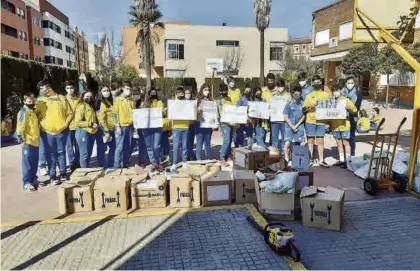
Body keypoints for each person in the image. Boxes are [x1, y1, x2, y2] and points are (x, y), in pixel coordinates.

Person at [36, 79, 72, 185]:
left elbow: (70, 112)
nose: (42, 90)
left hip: (61, 131)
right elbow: (35, 116)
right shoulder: (39, 101)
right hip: (47, 132)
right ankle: (52, 175)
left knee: (61, 152)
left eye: (43, 88)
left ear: (49, 87)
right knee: (50, 154)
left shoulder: (61, 98)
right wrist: (40, 126)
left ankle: (63, 172)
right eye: (40, 88)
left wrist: (65, 124)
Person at [302, 75, 330, 167]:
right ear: (312, 84)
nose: (317, 84)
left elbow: (330, 109)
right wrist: (310, 106)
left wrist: (328, 122)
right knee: (310, 140)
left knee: (320, 140)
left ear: (321, 83)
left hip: (321, 121)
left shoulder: (326, 95)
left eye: (318, 82)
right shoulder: (308, 96)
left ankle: (321, 160)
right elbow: (303, 109)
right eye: (315, 83)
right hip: (310, 121)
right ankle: (310, 160)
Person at [329, 85, 357, 168]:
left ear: (340, 90)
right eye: (333, 91)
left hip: (345, 125)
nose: (335, 92)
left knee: (345, 142)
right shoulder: (330, 101)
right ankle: (341, 160)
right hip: (335, 125)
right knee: (338, 143)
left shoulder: (345, 100)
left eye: (337, 90)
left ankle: (348, 161)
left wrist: (348, 108)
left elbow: (354, 110)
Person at [16, 93, 40, 191]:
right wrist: (21, 140)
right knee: (27, 163)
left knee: (34, 162)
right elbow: (20, 126)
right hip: (27, 141)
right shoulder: (23, 111)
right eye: (29, 101)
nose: (31, 103)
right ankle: (26, 182)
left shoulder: (33, 111)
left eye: (32, 101)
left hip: (35, 141)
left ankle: (33, 179)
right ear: (25, 101)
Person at [113, 81, 136, 168]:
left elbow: (133, 113)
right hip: (121, 126)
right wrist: (117, 126)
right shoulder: (118, 99)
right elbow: (115, 114)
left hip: (130, 126)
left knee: (128, 147)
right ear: (123, 88)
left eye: (130, 89)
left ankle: (125, 164)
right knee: (119, 148)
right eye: (127, 89)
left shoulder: (131, 100)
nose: (128, 91)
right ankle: (117, 166)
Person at [142, 87, 164, 172]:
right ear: (148, 94)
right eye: (151, 93)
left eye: (154, 92)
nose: (153, 94)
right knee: (149, 147)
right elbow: (141, 115)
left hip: (157, 127)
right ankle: (153, 163)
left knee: (156, 146)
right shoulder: (144, 104)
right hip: (147, 128)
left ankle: (159, 162)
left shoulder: (159, 102)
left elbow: (161, 112)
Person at [74, 90, 98, 168]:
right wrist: (90, 124)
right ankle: (83, 171)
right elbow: (77, 122)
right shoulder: (81, 107)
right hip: (83, 132)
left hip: (91, 132)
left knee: (89, 153)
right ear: (83, 97)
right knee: (84, 154)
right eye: (87, 96)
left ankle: (86, 168)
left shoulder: (91, 106)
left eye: (91, 97)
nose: (89, 98)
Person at [283, 86, 306, 166]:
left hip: (299, 126)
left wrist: (296, 126)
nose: (296, 95)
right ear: (292, 94)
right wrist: (292, 126)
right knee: (287, 144)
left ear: (300, 94)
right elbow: (285, 116)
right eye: (295, 94)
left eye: (298, 94)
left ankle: (296, 161)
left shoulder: (303, 104)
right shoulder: (288, 104)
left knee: (298, 144)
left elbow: (303, 116)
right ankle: (286, 159)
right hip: (289, 127)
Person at [268, 78, 291, 155]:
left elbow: (290, 107)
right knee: (274, 139)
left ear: (284, 86)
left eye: (281, 86)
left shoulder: (288, 95)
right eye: (278, 86)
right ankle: (275, 154)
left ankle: (284, 155)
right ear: (276, 87)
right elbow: (270, 106)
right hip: (275, 121)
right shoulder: (273, 95)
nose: (280, 88)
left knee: (285, 139)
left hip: (284, 121)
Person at [170, 86, 191, 171]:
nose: (180, 94)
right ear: (176, 93)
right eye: (178, 93)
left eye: (182, 93)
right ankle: (174, 163)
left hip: (185, 126)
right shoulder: (173, 103)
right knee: (175, 146)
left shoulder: (188, 103)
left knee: (185, 145)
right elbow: (170, 114)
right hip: (176, 127)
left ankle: (184, 161)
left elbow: (190, 113)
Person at [341, 76, 362, 156]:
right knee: (344, 137)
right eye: (348, 83)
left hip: (353, 118)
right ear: (346, 83)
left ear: (354, 84)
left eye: (352, 83)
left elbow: (357, 107)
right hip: (343, 118)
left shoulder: (357, 93)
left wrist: (348, 107)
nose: (350, 84)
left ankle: (352, 155)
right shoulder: (342, 92)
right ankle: (344, 156)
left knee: (351, 136)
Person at [97, 86, 116, 169]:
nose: (106, 92)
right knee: (102, 148)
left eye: (108, 90)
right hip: (103, 129)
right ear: (100, 92)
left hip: (113, 128)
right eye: (104, 90)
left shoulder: (112, 101)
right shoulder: (99, 102)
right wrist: (106, 131)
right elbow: (100, 118)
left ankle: (111, 164)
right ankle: (102, 165)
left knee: (113, 147)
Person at [64, 80, 80, 170]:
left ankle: (78, 162)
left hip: (78, 125)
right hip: (68, 126)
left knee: (78, 145)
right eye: (67, 88)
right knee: (69, 146)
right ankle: (72, 163)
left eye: (71, 88)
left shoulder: (78, 98)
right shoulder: (63, 99)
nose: (69, 90)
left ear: (74, 88)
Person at [217, 83, 234, 166]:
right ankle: (222, 157)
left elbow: (232, 110)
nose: (224, 92)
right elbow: (221, 113)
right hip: (225, 124)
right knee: (226, 141)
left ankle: (228, 156)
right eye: (222, 90)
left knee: (230, 141)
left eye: (225, 90)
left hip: (231, 123)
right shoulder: (219, 100)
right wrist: (227, 122)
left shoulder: (229, 99)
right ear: (220, 91)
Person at [196, 84, 214, 160]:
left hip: (208, 124)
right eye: (205, 89)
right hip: (199, 123)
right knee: (199, 142)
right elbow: (194, 111)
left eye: (208, 90)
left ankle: (208, 158)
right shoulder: (197, 100)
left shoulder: (211, 100)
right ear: (201, 90)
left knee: (207, 143)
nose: (207, 91)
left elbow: (214, 112)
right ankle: (199, 159)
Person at [185, 88, 196, 161]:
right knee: (186, 141)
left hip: (192, 124)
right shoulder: (181, 102)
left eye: (189, 93)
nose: (188, 95)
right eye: (186, 93)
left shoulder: (193, 102)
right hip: (185, 125)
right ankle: (188, 155)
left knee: (191, 141)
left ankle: (190, 154)